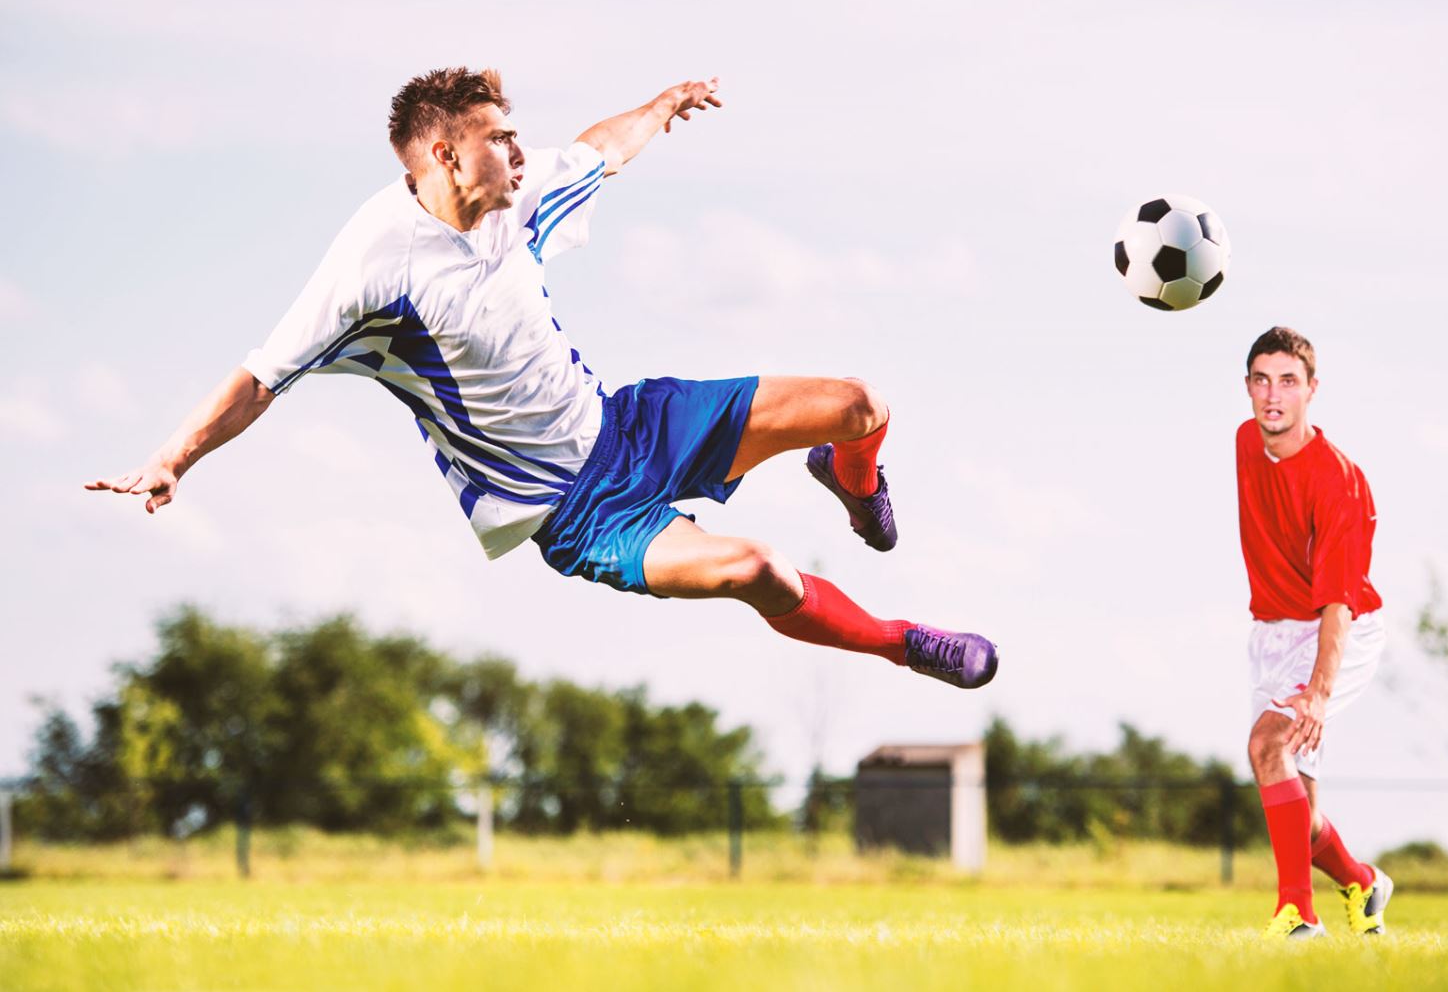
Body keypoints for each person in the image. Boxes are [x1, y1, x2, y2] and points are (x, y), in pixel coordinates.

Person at [85, 67, 997, 690]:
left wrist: (661, 104)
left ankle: (851, 478)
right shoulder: (372, 265)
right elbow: (260, 374)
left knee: (860, 404)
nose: (521, 153)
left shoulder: (514, 199)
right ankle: (900, 642)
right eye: (501, 139)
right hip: (574, 510)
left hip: (632, 424)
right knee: (759, 568)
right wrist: (174, 458)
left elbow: (602, 147)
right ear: (444, 155)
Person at [1236, 326, 1393, 938]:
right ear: (1247, 388)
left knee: (1266, 746)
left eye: (1289, 382)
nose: (1274, 396)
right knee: (1297, 813)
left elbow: (1339, 604)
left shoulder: (1338, 483)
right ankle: (1361, 882)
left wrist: (1319, 693)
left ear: (1312, 390)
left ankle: (1298, 916)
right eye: (1261, 380)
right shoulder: (1247, 439)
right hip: (1270, 634)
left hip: (1337, 628)